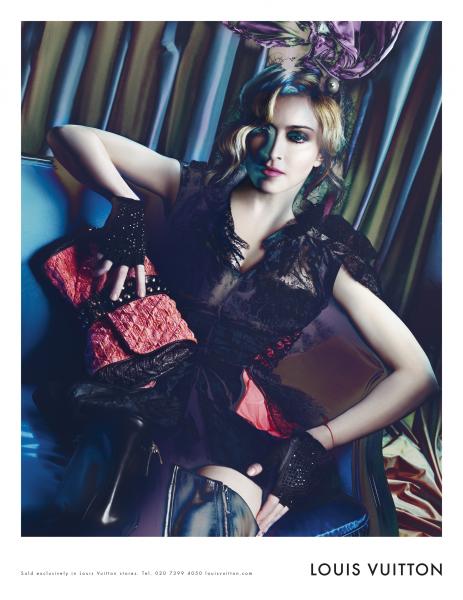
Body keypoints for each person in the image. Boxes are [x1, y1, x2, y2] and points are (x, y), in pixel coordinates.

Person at [44, 62, 438, 537]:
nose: (274, 150)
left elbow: (418, 374)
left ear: (321, 156)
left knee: (211, 520)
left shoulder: (324, 258)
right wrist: (124, 204)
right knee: (115, 505)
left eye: (297, 137)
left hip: (231, 430)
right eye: (263, 130)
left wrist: (316, 441)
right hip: (141, 399)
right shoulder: (193, 190)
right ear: (244, 135)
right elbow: (68, 135)